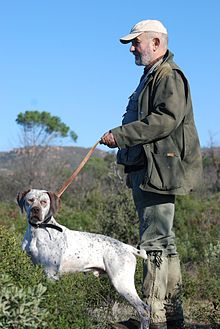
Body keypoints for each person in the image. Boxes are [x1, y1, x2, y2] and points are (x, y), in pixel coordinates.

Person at [100, 19, 203, 329]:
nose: (132, 48)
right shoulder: (150, 77)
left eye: (136, 42)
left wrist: (120, 136)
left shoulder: (169, 76)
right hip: (148, 170)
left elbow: (164, 121)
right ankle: (171, 316)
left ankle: (153, 316)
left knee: (154, 244)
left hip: (162, 170)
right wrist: (131, 166)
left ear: (157, 43)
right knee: (164, 243)